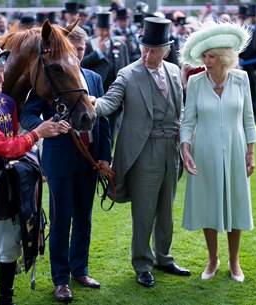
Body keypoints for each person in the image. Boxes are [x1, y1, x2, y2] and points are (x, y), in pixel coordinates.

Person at [93, 17, 189, 288]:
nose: (146, 55)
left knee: (166, 210)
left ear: (166, 51)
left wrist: (181, 130)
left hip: (171, 149)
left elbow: (179, 107)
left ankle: (164, 258)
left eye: (153, 51)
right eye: (144, 49)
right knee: (144, 211)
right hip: (143, 150)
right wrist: (91, 104)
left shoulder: (173, 71)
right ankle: (142, 264)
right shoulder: (127, 73)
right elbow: (110, 102)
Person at [0, 44, 61, 305]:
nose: (1, 78)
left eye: (1, 71)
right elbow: (4, 146)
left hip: (13, 181)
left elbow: (14, 143)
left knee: (12, 245)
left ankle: (6, 300)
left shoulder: (7, 102)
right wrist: (38, 133)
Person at [20, 25, 112, 302]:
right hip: (59, 160)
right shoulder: (50, 78)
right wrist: (43, 126)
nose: (79, 54)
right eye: (74, 50)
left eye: (82, 49)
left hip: (88, 159)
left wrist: (104, 156)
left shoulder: (94, 78)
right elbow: (27, 114)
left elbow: (102, 120)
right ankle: (60, 279)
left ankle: (79, 270)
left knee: (84, 217)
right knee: (61, 220)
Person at [179, 21, 256, 282]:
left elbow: (248, 118)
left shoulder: (242, 79)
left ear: (225, 57)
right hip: (204, 150)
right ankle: (213, 258)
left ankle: (235, 262)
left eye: (211, 56)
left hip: (236, 149)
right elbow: (188, 120)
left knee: (236, 202)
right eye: (204, 56)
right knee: (208, 202)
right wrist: (185, 148)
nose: (206, 60)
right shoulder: (196, 82)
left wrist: (251, 153)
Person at [81, 11, 129, 139]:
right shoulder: (89, 44)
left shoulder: (120, 45)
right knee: (95, 128)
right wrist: (98, 53)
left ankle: (108, 155)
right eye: (101, 30)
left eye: (107, 29)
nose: (104, 33)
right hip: (95, 93)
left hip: (113, 93)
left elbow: (126, 67)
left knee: (111, 128)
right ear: (96, 29)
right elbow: (81, 64)